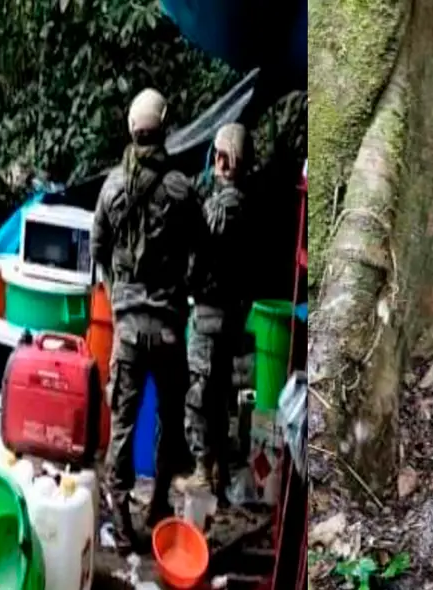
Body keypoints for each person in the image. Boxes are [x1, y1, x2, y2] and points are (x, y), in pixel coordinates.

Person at [91, 88, 208, 552]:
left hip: (128, 329)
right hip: (169, 327)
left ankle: (121, 525)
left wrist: (116, 294)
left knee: (122, 424)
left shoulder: (113, 187)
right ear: (165, 127)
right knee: (169, 420)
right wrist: (184, 287)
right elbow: (202, 248)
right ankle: (158, 504)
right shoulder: (181, 190)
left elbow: (98, 248)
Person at [183, 123, 251, 501]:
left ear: (225, 158)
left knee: (201, 394)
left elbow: (198, 248)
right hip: (231, 315)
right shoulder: (249, 203)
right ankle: (220, 469)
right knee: (221, 392)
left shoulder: (223, 208)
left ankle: (201, 470)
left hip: (210, 314)